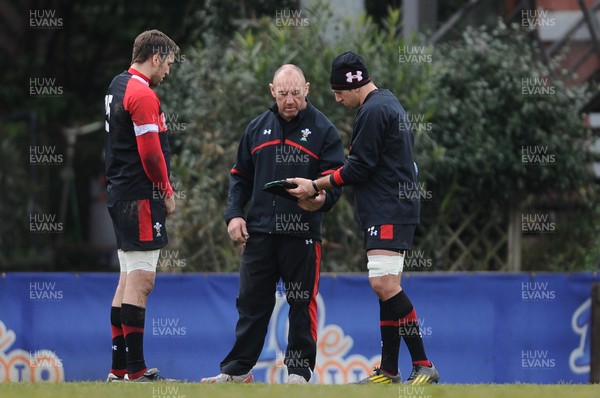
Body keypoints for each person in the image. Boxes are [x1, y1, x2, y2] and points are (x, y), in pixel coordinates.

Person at [288, 51, 439, 384]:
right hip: (393, 207)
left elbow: (358, 168)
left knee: (383, 284)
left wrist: (314, 184)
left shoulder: (371, 111)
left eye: (338, 91)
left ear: (352, 82)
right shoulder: (387, 102)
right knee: (388, 287)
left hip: (388, 209)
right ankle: (389, 369)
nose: (337, 98)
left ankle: (424, 363)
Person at [200, 64, 345, 384]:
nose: (289, 100)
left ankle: (298, 373)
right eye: (283, 94)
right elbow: (239, 177)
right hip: (260, 232)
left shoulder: (324, 130)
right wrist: (234, 214)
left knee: (300, 303)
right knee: (251, 303)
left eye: (295, 93)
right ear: (271, 91)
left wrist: (320, 199)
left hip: (303, 233)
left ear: (307, 89)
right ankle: (237, 370)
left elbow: (336, 181)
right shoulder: (256, 128)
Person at [103, 29, 179, 382]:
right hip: (139, 197)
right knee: (142, 280)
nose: (168, 72)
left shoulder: (118, 84)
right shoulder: (142, 93)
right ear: (156, 57)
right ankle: (136, 370)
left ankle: (119, 370)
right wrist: (165, 189)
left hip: (120, 194)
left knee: (126, 279)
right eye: (168, 64)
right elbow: (150, 152)